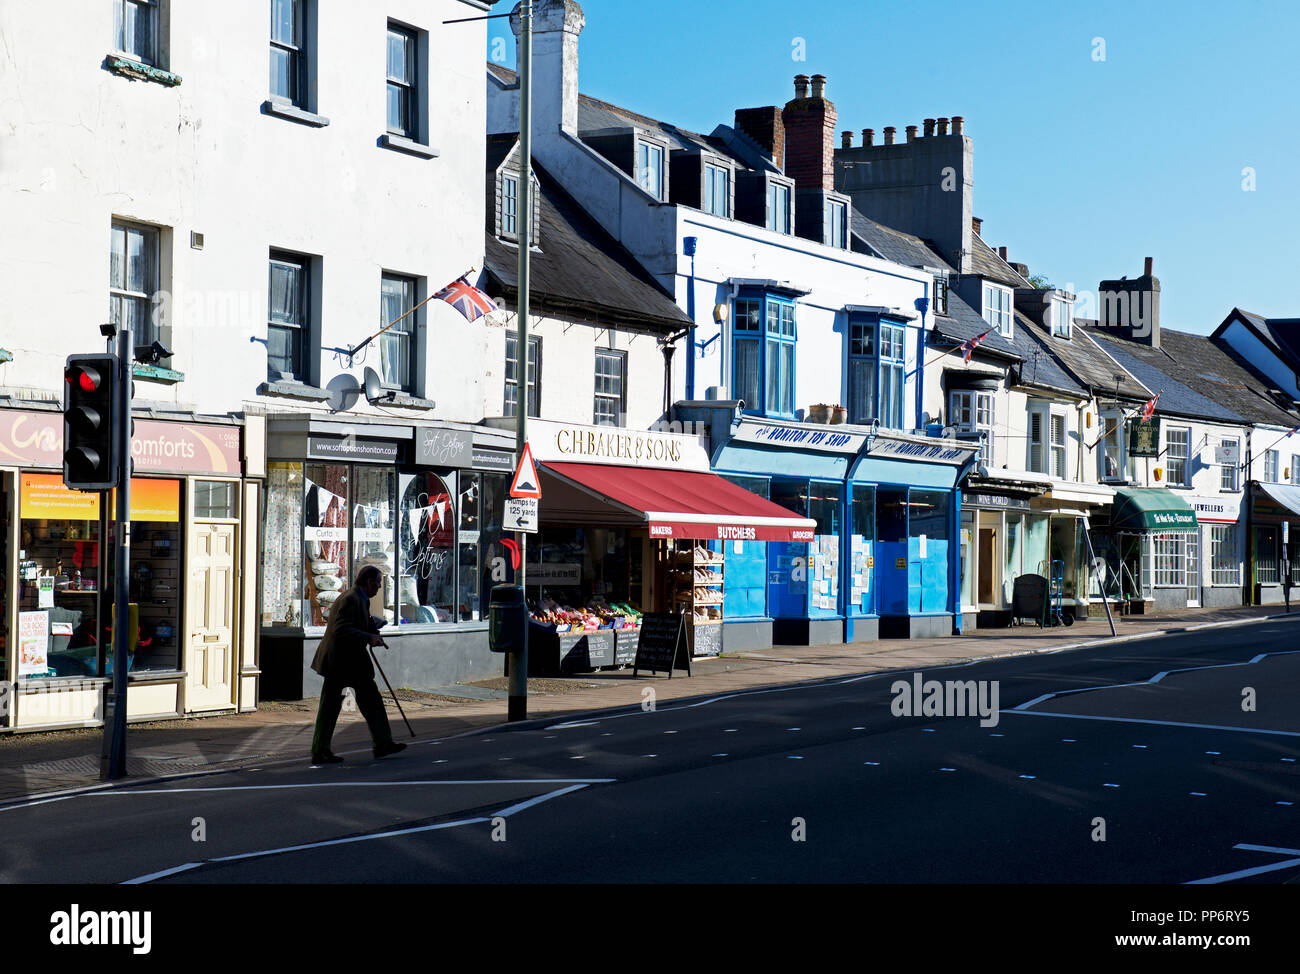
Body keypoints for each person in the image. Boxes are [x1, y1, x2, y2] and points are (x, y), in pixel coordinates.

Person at [310, 565, 407, 765]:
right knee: (331, 708)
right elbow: (341, 629)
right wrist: (369, 636)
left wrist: (373, 627)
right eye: (378, 583)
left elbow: (355, 623)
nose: (379, 587)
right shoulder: (351, 599)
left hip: (350, 662)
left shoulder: (359, 598)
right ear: (369, 582)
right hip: (340, 662)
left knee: (370, 701)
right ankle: (321, 750)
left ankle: (382, 743)